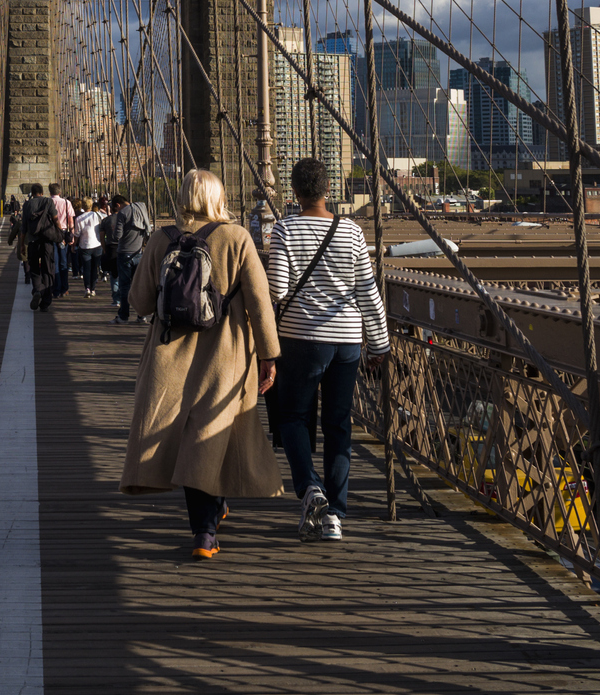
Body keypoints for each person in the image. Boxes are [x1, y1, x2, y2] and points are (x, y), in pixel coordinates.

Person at [121, 170, 282, 560]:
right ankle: (205, 533)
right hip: (225, 356)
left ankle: (206, 524)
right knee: (210, 433)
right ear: (218, 196)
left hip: (169, 357)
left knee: (193, 438)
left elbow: (139, 303)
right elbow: (261, 304)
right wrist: (269, 355)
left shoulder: (160, 239)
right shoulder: (237, 237)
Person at [265, 157, 390, 543]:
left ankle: (309, 488)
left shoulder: (284, 229)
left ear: (295, 192)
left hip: (301, 338)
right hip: (348, 341)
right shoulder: (351, 232)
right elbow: (367, 292)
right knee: (338, 424)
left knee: (293, 418)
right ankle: (335, 516)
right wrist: (380, 343)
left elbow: (278, 290)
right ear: (328, 190)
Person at [106, 193, 152, 323]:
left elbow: (117, 236)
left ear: (118, 205)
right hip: (138, 253)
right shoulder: (141, 209)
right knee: (139, 286)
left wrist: (115, 228)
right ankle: (141, 315)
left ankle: (123, 316)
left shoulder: (122, 213)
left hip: (124, 253)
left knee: (124, 287)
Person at [20, 184, 60, 310]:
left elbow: (23, 227)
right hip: (47, 241)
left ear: (32, 193)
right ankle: (45, 303)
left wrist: (22, 244)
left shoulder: (27, 205)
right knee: (48, 270)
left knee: (34, 269)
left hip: (32, 241)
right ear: (42, 193)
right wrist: (60, 234)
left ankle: (37, 290)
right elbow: (55, 219)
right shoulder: (48, 201)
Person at [72, 198, 106, 296]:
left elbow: (77, 234)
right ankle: (93, 288)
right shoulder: (99, 216)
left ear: (83, 206)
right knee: (94, 268)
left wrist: (74, 244)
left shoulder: (79, 218)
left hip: (85, 245)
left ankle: (87, 288)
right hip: (97, 244)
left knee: (86, 268)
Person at [49, 183, 76, 298]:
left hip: (51, 233)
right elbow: (70, 222)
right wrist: (72, 236)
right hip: (63, 234)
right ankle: (64, 289)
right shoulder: (66, 203)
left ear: (50, 192)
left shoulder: (47, 202)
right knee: (63, 262)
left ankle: (56, 289)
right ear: (60, 192)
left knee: (54, 261)